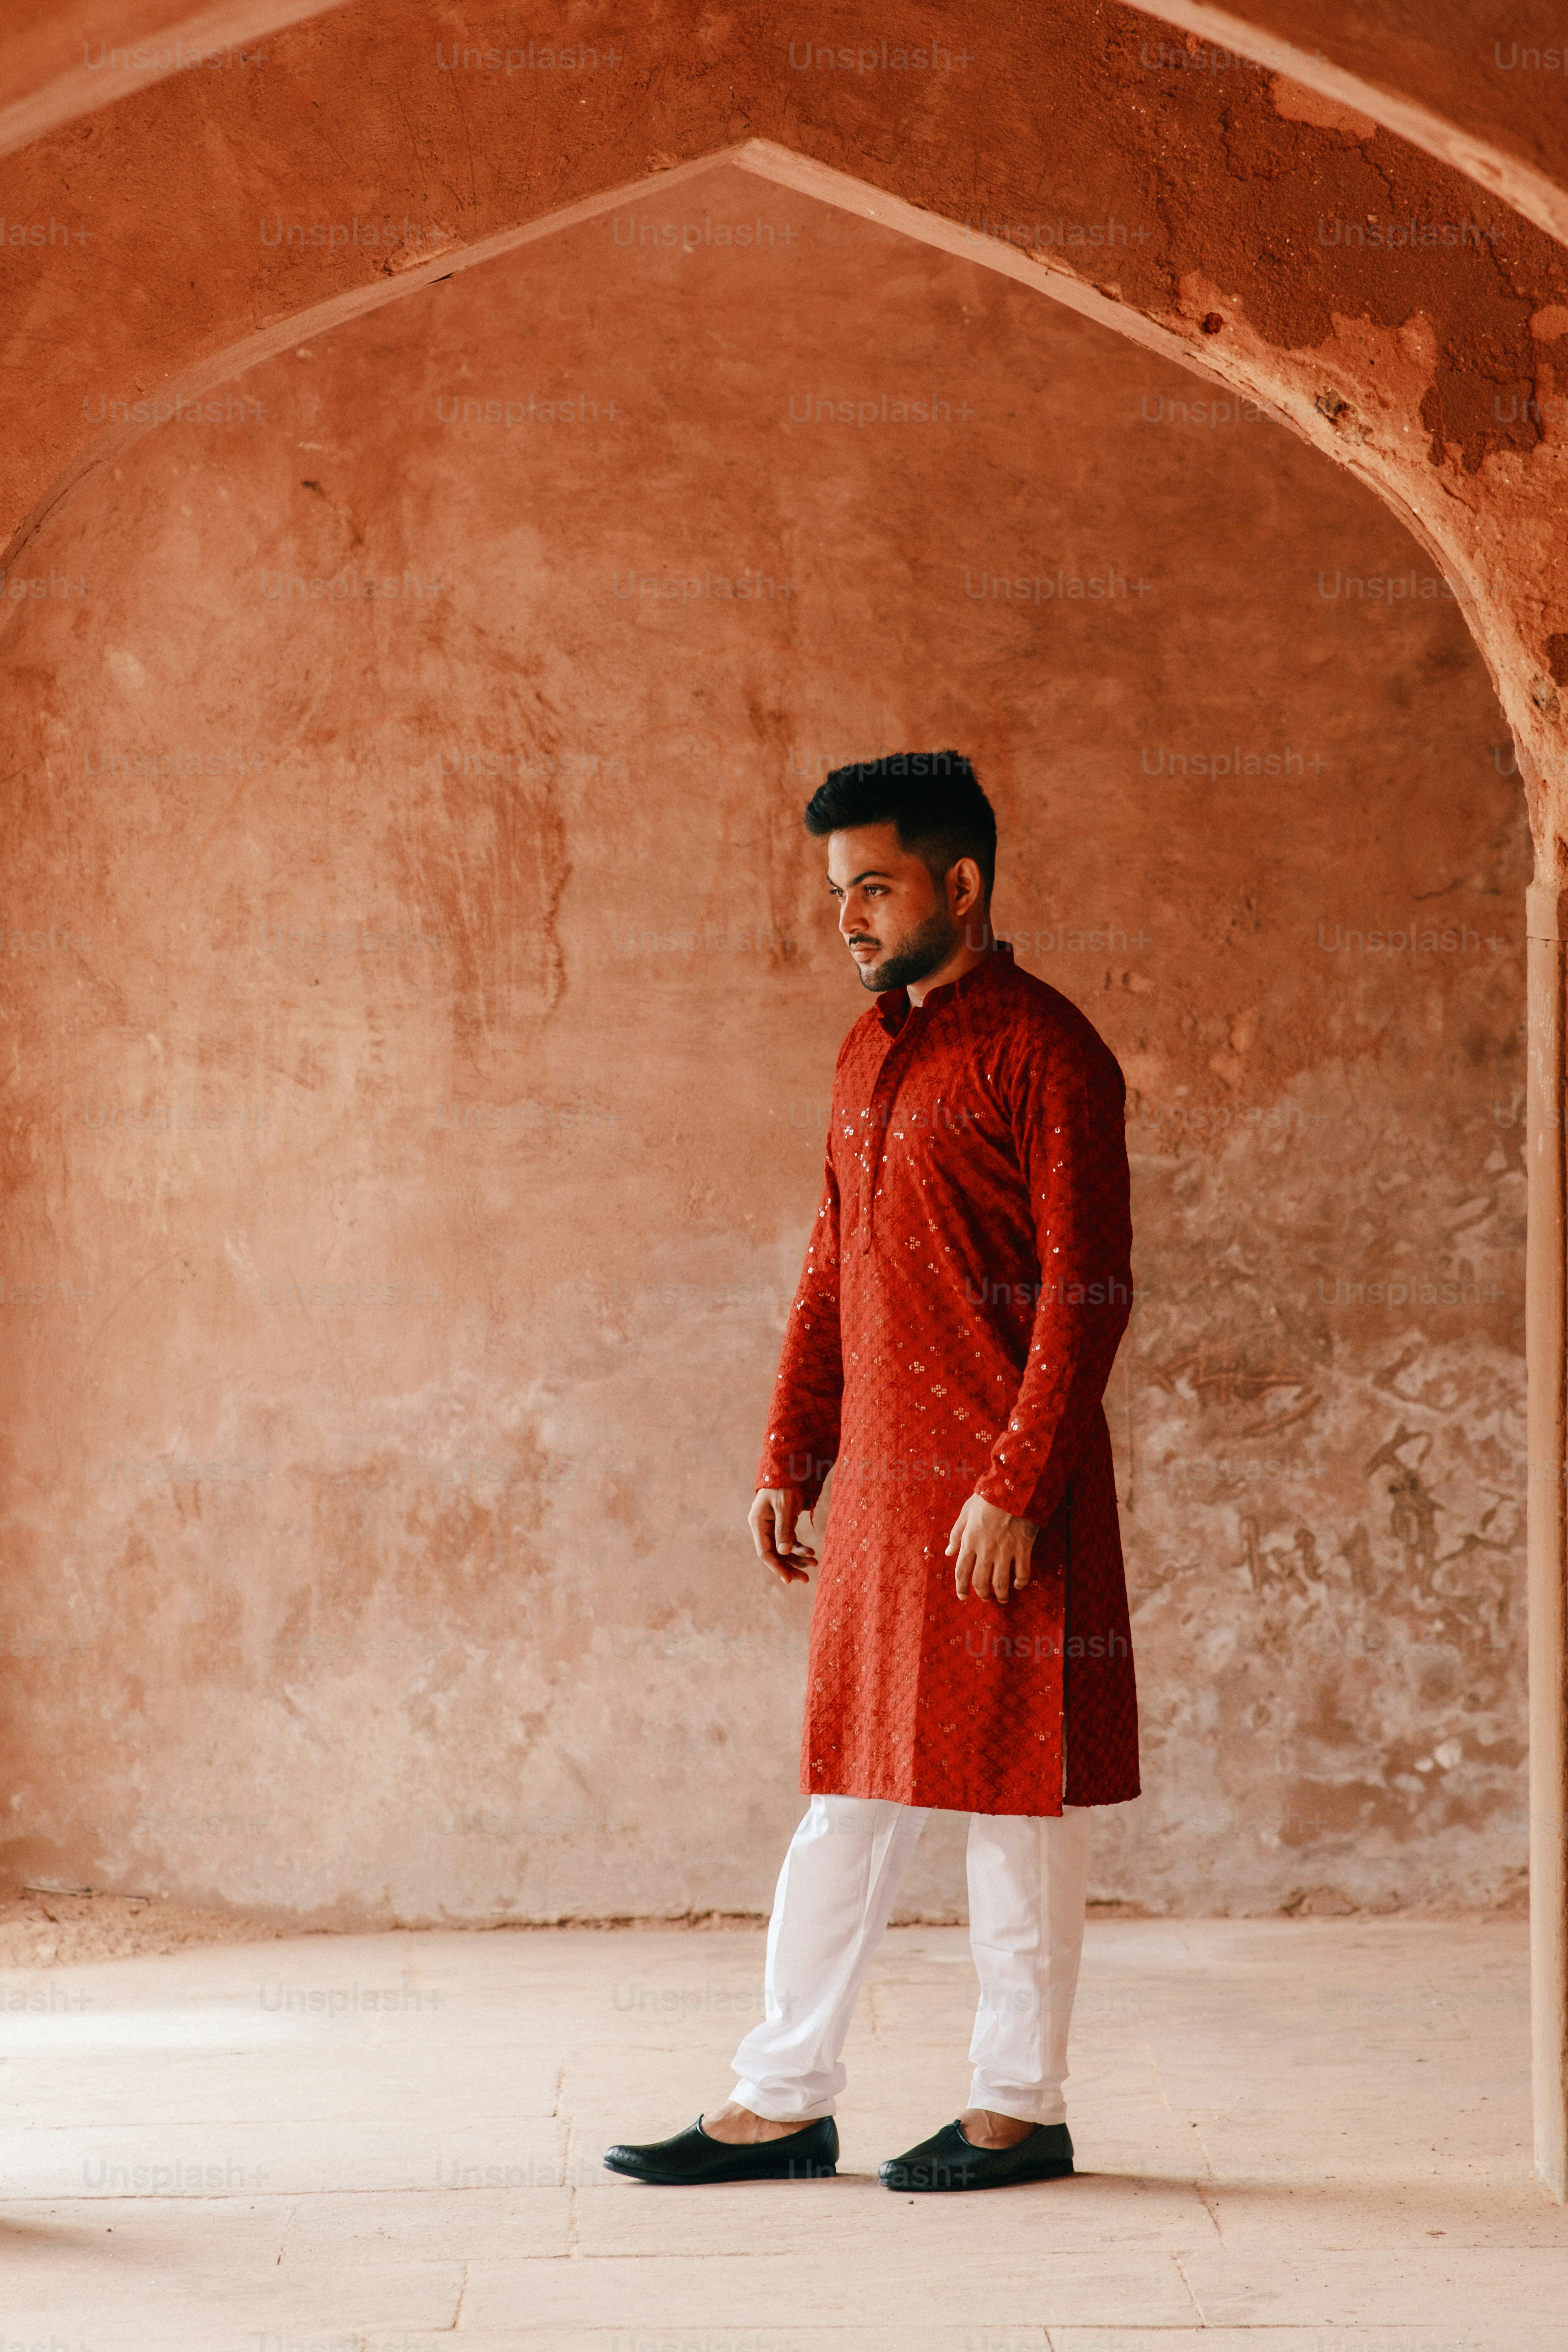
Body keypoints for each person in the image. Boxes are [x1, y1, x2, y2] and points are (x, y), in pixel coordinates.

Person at [605, 752, 1138, 2192]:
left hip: (999, 1510)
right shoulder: (864, 1054)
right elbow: (834, 1263)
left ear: (959, 885)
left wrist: (1018, 1485)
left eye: (875, 886)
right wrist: (794, 1449)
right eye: (838, 891)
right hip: (888, 1501)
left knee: (1019, 1813)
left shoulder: (1049, 1051)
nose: (848, 916)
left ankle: (1018, 2106)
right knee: (850, 1799)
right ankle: (783, 2098)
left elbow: (1088, 1291)